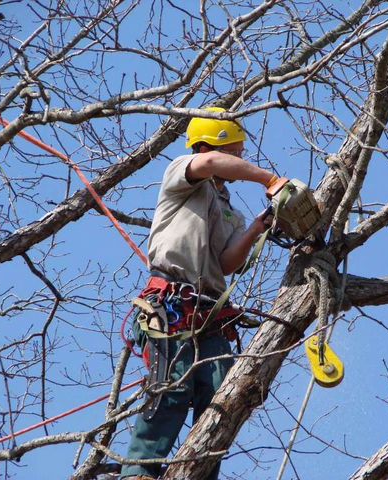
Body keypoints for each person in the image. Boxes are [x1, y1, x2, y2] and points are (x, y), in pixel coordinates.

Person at [121, 107, 280, 480]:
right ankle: (138, 472)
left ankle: (201, 474)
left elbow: (226, 263)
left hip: (210, 314)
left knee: (220, 402)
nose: (238, 160)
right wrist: (270, 179)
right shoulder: (184, 173)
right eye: (235, 152)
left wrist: (258, 226)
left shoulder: (229, 211)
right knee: (171, 391)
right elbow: (208, 161)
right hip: (171, 305)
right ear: (216, 144)